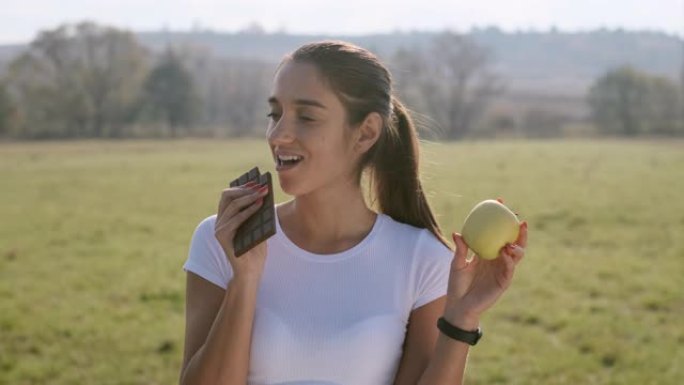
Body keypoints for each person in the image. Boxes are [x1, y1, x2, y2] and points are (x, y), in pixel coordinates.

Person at [179, 40, 528, 385]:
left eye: (306, 116)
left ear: (366, 133)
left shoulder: (423, 259)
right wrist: (245, 278)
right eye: (275, 114)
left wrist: (462, 318)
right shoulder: (222, 239)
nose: (279, 134)